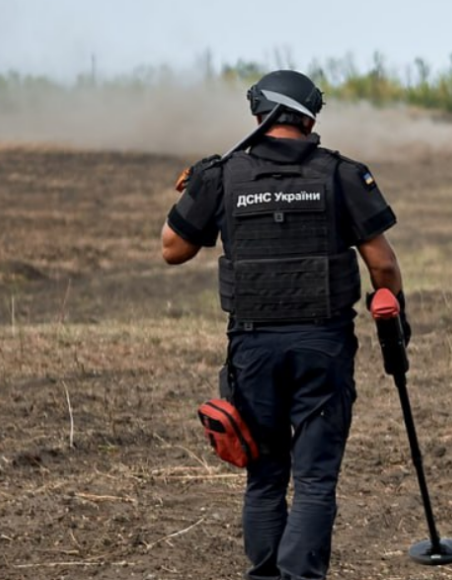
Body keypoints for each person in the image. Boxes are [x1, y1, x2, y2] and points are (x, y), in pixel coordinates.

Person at [160, 69, 409, 580]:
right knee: (315, 480)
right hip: (323, 346)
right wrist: (396, 317)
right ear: (308, 115)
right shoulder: (342, 174)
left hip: (253, 348)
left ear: (260, 112)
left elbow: (173, 248)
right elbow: (382, 265)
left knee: (265, 477)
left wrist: (196, 187)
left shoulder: (223, 174)